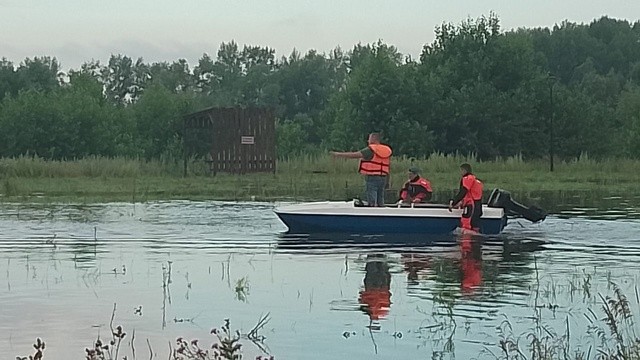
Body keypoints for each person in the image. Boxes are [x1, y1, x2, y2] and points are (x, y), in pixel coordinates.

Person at [330, 133, 392, 207]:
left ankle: (372, 214)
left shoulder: (370, 150)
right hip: (383, 177)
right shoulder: (386, 150)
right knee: (380, 200)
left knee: (372, 200)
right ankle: (382, 213)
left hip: (372, 177)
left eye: (369, 139)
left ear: (373, 139)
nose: (368, 141)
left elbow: (354, 155)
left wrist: (338, 154)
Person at [448, 163, 483, 232]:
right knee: (474, 226)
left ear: (464, 170)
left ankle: (467, 241)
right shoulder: (477, 181)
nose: (460, 173)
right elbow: (474, 195)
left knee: (465, 228)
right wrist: (461, 202)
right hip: (477, 206)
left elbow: (463, 192)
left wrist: (454, 202)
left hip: (470, 206)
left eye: (461, 171)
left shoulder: (468, 179)